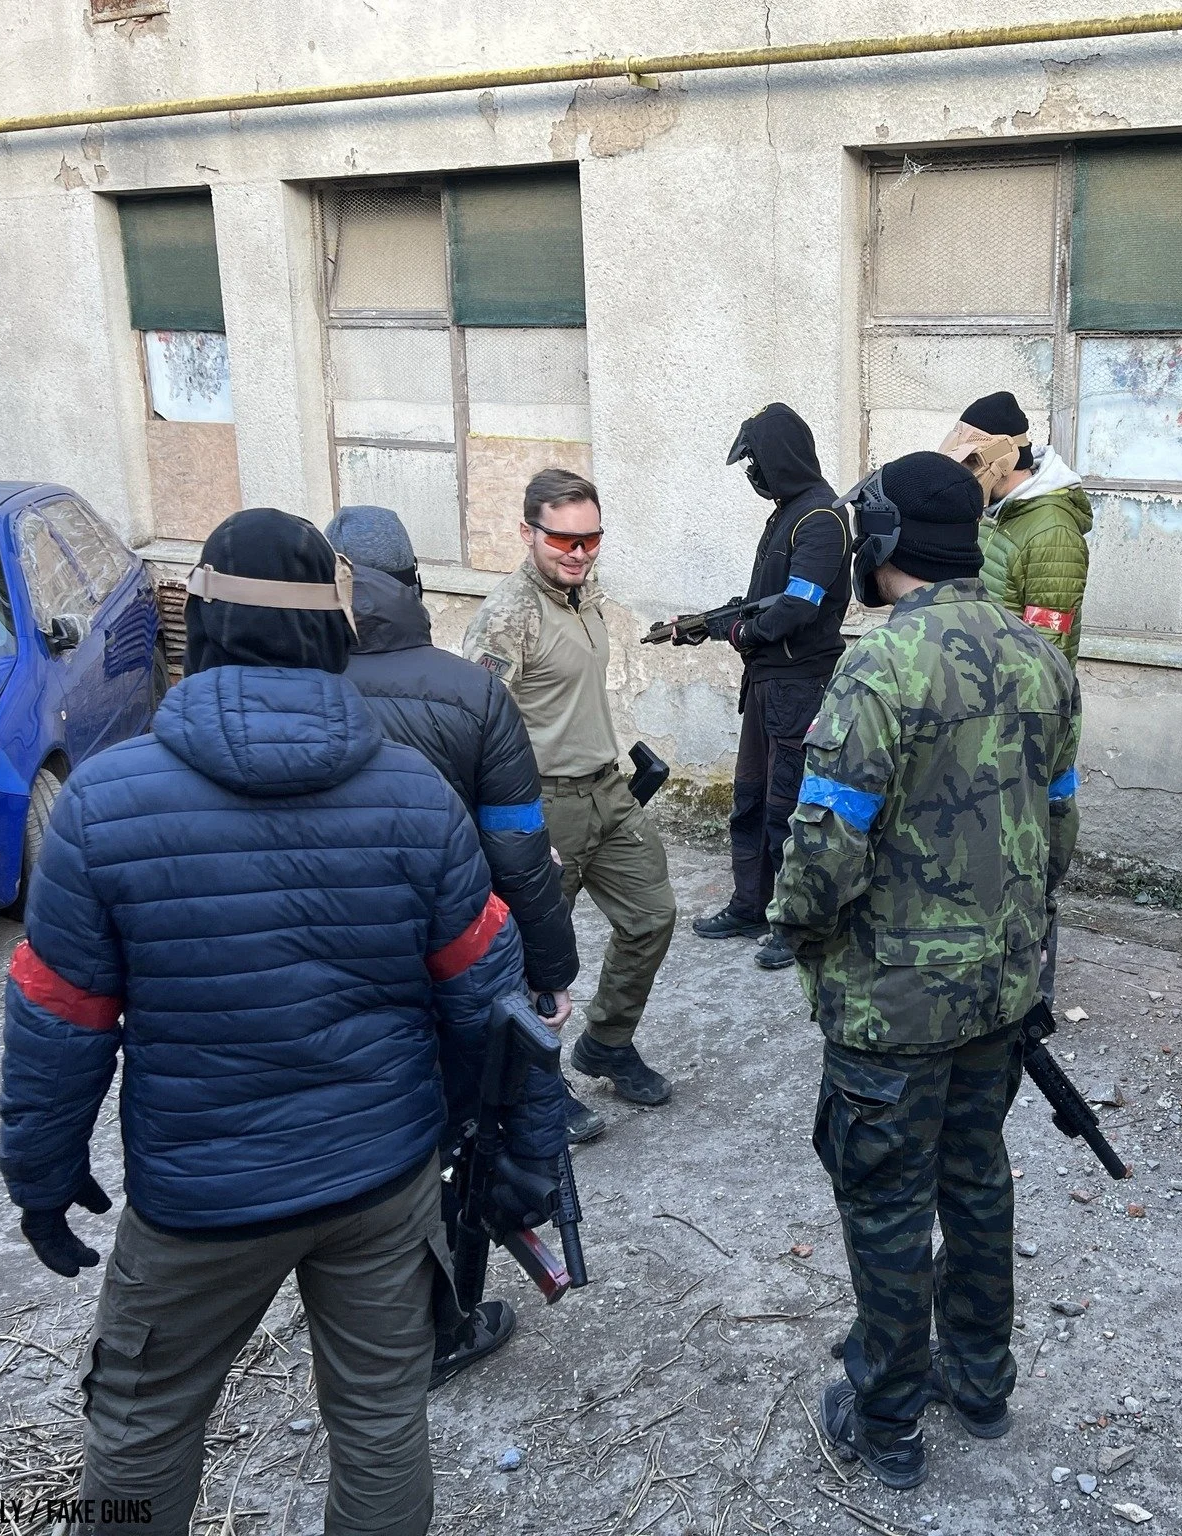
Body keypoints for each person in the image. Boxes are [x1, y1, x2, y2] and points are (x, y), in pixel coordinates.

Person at [0, 509, 566, 1536]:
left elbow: (58, 1020)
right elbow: (493, 1005)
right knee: (382, 1421)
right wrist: (526, 1155)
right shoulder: (417, 798)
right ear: (335, 631)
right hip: (381, 1181)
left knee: (140, 1427)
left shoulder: (104, 805)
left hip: (199, 1199)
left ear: (202, 629)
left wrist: (41, 1174)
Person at [769, 451, 1081, 1490]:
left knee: (888, 1204)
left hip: (892, 1011)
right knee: (975, 1179)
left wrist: (801, 936)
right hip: (999, 992)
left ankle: (887, 1419)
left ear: (885, 542)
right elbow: (1059, 828)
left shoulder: (881, 668)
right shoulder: (1040, 658)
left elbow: (823, 852)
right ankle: (979, 1383)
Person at [326, 505, 596, 1386]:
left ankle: (366, 1315)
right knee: (462, 1141)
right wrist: (550, 973)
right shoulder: (471, 694)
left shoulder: (293, 688)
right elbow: (519, 851)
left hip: (333, 970)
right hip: (455, 961)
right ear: (413, 582)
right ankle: (444, 1326)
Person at [465, 469, 678, 1110]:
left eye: (591, 539)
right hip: (540, 803)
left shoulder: (584, 594)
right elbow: (476, 726)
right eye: (562, 540)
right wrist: (513, 824)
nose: (579, 553)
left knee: (652, 917)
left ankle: (607, 1042)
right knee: (534, 954)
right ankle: (535, 1086)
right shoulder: (508, 615)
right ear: (527, 532)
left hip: (608, 789)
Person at [687, 404, 848, 970]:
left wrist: (741, 632)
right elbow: (765, 600)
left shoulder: (821, 519)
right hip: (766, 682)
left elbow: (798, 607)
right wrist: (708, 624)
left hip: (798, 687)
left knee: (787, 807)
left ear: (780, 457)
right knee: (751, 800)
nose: (752, 472)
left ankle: (791, 924)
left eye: (756, 460)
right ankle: (750, 905)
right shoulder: (788, 512)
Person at [938, 390, 1092, 663]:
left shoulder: (1053, 533)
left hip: (1013, 684)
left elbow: (1047, 650)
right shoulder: (997, 512)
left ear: (1004, 459)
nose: (966, 474)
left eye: (972, 461)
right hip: (981, 674)